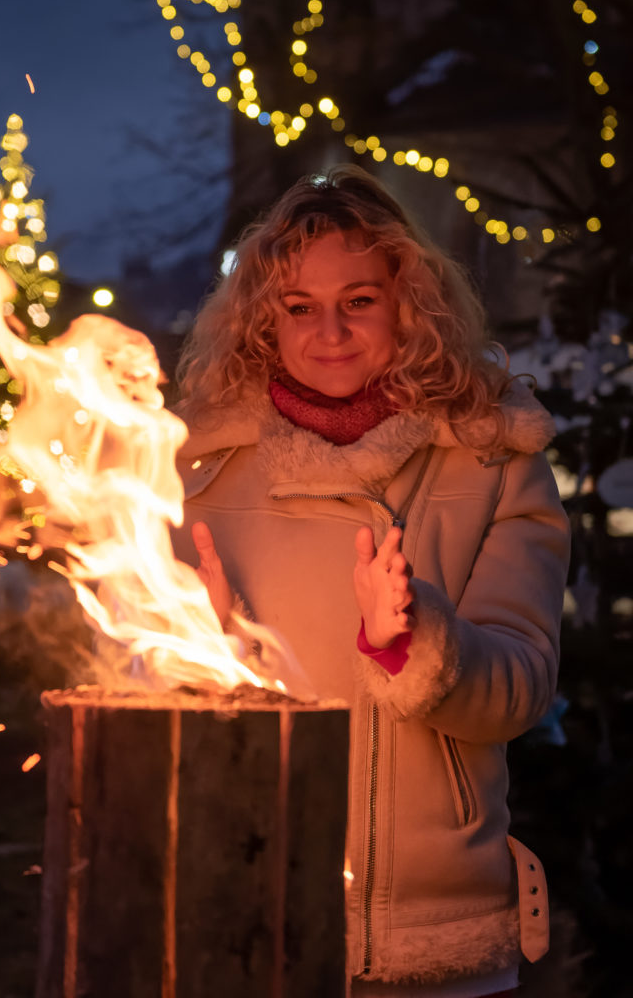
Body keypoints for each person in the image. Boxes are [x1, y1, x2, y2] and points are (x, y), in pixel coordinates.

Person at [171, 165, 570, 997]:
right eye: (299, 307)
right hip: (255, 910)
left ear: (408, 304)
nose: (330, 331)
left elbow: (521, 688)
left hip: (434, 936)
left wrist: (417, 642)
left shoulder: (495, 455)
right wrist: (194, 643)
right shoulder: (203, 472)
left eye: (359, 300)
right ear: (262, 319)